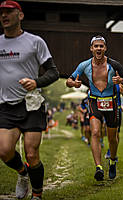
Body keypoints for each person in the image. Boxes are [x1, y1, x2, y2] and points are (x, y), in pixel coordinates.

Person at [0, 1, 59, 200]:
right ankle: (22, 174)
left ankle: (37, 195)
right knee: (5, 151)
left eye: (9, 12)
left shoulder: (35, 42)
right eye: (1, 13)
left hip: (31, 104)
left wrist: (36, 81)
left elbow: (53, 72)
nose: (4, 16)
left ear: (21, 15)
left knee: (32, 153)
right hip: (6, 106)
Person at [66, 35, 123, 181]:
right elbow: (69, 80)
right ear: (91, 49)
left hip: (111, 102)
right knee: (96, 132)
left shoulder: (114, 64)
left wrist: (122, 80)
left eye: (101, 46)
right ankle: (98, 167)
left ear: (105, 48)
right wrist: (74, 84)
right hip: (94, 101)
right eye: (96, 46)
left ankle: (112, 160)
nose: (98, 48)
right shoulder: (84, 65)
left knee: (112, 138)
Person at [105, 83, 123, 159]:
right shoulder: (105, 81)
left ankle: (113, 153)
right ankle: (110, 149)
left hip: (116, 110)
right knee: (108, 132)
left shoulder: (119, 83)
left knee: (116, 132)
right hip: (106, 109)